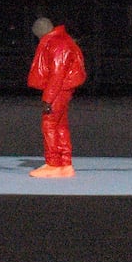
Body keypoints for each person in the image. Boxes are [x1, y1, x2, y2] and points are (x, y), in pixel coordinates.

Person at [26, 17, 86, 178]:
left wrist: (48, 99)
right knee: (60, 125)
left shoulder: (56, 44)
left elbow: (57, 75)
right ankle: (65, 164)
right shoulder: (61, 40)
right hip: (63, 89)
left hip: (58, 90)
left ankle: (53, 163)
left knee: (49, 124)